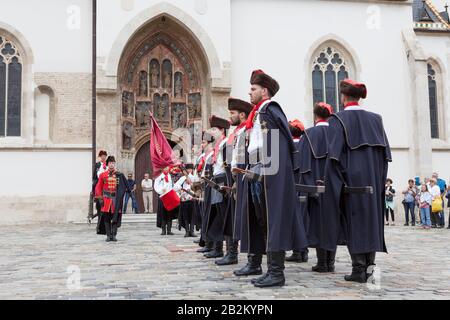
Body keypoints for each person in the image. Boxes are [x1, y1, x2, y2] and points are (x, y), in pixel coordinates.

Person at [240, 69, 307, 288]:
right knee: (263, 220)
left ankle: (277, 272)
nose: (250, 92)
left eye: (253, 89)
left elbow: (280, 142)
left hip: (268, 170)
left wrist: (269, 170)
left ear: (264, 91)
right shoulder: (258, 113)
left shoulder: (270, 109)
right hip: (257, 168)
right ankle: (269, 269)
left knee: (273, 220)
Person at [323, 79, 391, 283]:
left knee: (354, 223)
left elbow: (334, 156)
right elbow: (385, 155)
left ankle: (358, 269)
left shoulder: (338, 119)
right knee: (371, 222)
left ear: (343, 97)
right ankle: (369, 268)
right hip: (374, 181)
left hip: (350, 183)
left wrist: (333, 185)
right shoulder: (376, 119)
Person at [297, 102, 337, 273]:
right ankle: (331, 262)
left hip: (315, 186)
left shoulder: (309, 133)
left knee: (319, 224)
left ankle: (322, 262)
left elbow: (304, 165)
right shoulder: (336, 132)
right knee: (333, 222)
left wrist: (308, 188)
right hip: (334, 186)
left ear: (315, 116)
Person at [216, 98, 253, 267]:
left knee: (247, 219)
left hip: (244, 176)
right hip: (235, 177)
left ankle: (252, 260)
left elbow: (248, 155)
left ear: (242, 114)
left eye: (232, 113)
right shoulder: (237, 132)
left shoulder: (247, 130)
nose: (230, 116)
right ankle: (232, 253)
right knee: (233, 217)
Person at [202, 116, 231, 259]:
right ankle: (218, 248)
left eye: (214, 129)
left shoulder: (226, 143)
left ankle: (230, 252)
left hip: (223, 180)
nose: (211, 132)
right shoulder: (218, 145)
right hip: (216, 180)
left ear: (221, 130)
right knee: (217, 215)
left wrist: (229, 183)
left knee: (224, 215)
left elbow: (228, 164)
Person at [285, 119, 309, 264]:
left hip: (292, 187)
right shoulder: (305, 145)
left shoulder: (290, 146)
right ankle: (302, 251)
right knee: (302, 220)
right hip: (303, 186)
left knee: (294, 220)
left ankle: (297, 251)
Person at [94, 156, 131, 242]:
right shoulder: (103, 175)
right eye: (110, 163)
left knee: (115, 218)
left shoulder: (119, 175)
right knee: (106, 218)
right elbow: (98, 187)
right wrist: (100, 198)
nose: (112, 165)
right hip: (106, 200)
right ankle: (108, 235)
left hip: (116, 200)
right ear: (107, 164)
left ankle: (114, 235)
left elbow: (124, 186)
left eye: (113, 163)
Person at [154, 166, 180, 235]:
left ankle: (169, 230)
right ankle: (163, 230)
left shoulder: (170, 176)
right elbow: (156, 185)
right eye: (165, 167)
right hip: (162, 196)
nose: (166, 169)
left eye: (167, 167)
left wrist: (177, 189)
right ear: (162, 168)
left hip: (169, 196)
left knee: (169, 213)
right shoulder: (159, 176)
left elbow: (172, 185)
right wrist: (161, 190)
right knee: (163, 213)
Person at [175, 164, 197, 237]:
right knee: (185, 216)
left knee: (193, 216)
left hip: (192, 199)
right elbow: (175, 187)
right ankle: (187, 231)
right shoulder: (183, 178)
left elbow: (197, 187)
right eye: (188, 169)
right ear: (186, 170)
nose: (190, 170)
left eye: (191, 169)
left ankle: (192, 231)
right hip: (184, 199)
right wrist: (181, 188)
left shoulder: (193, 178)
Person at [90, 150, 107, 229]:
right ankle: (99, 224)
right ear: (100, 157)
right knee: (99, 206)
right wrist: (93, 189)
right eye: (102, 156)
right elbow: (94, 177)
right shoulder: (97, 165)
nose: (103, 157)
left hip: (106, 186)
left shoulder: (108, 165)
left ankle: (106, 224)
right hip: (98, 185)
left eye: (104, 156)